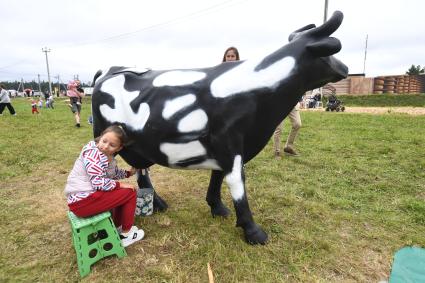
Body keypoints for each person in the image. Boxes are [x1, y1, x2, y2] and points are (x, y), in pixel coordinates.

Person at [64, 125, 144, 247]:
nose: (106, 146)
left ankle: (117, 227)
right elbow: (98, 182)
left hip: (85, 199)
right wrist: (120, 184)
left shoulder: (106, 155)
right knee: (130, 192)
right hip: (82, 202)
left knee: (123, 192)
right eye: (104, 141)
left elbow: (112, 173)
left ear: (119, 148)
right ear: (100, 137)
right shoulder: (92, 153)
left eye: (112, 145)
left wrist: (128, 173)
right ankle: (126, 235)